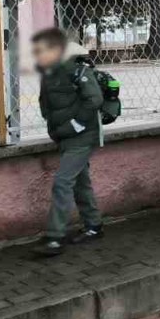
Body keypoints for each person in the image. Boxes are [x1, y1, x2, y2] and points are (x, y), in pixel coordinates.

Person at [31, 28, 105, 257]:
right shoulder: (49, 73)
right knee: (80, 182)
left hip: (81, 137)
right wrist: (56, 128)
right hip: (65, 136)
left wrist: (76, 124)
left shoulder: (77, 69)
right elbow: (46, 103)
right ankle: (94, 226)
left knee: (62, 182)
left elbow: (95, 99)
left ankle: (55, 237)